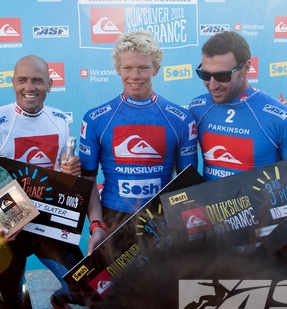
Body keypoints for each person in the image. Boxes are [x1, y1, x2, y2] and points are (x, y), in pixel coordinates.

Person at [0, 55, 107, 309]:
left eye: (38, 80)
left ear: (50, 84)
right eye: (22, 80)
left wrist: (67, 175)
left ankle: (58, 301)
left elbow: (65, 178)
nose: (30, 87)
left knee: (86, 289)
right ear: (12, 83)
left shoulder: (60, 122)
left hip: (46, 228)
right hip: (5, 232)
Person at [79, 30, 198, 230]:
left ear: (156, 69)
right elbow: (88, 180)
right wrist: (96, 224)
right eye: (128, 68)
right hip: (113, 219)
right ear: (118, 69)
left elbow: (188, 183)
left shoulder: (181, 119)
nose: (135, 76)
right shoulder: (95, 119)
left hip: (163, 219)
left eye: (143, 68)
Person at [188, 31, 287, 181]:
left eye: (222, 76)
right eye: (205, 75)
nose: (212, 85)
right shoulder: (197, 109)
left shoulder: (281, 119)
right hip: (210, 204)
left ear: (246, 68)